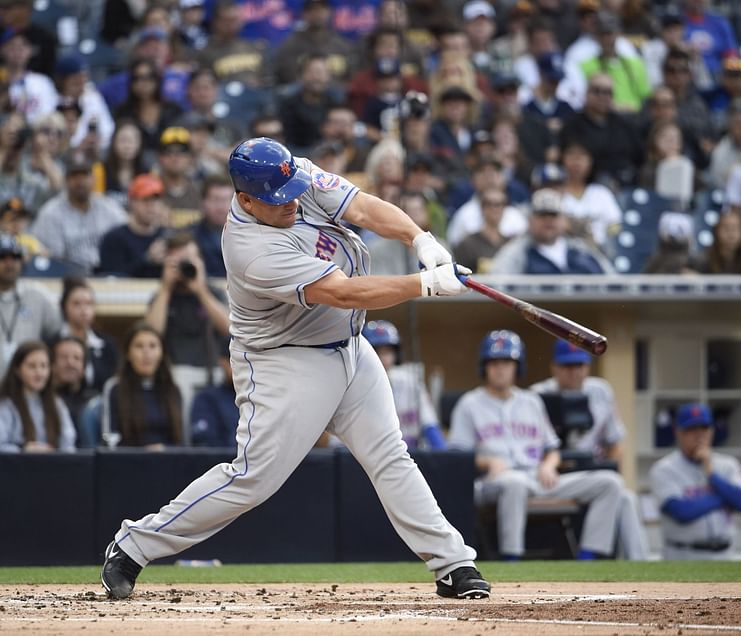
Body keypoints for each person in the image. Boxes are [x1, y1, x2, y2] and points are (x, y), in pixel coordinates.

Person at [101, 137, 489, 601]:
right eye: (276, 199)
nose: (290, 202)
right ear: (245, 199)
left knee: (390, 455)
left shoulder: (290, 174)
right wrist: (424, 285)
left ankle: (453, 565)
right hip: (286, 359)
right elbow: (344, 291)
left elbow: (363, 209)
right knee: (252, 479)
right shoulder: (250, 249)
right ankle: (132, 546)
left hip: (349, 345)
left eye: (291, 191)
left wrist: (420, 239)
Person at [449, 330, 645, 561]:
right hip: (493, 482)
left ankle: (588, 557)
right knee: (515, 482)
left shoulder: (531, 401)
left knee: (611, 482)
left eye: (506, 362)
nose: (500, 368)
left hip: (536, 477)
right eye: (494, 363)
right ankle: (512, 559)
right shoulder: (469, 404)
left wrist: (549, 465)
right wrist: (487, 461)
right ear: (484, 367)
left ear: (517, 366)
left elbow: (552, 447)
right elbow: (457, 457)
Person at [649, 402, 741, 560]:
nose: (699, 435)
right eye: (691, 429)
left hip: (725, 555)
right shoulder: (663, 469)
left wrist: (712, 475)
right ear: (678, 432)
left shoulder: (728, 464)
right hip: (683, 556)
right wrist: (724, 498)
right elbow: (682, 512)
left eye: (704, 428)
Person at [144, 231, 230, 418]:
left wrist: (200, 291)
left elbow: (229, 330)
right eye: (178, 262)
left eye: (188, 260)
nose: (183, 267)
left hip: (213, 374)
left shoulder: (212, 293)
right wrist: (166, 288)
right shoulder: (162, 297)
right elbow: (152, 333)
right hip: (174, 375)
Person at [30, 152, 127, 274]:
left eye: (85, 175)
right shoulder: (51, 213)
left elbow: (127, 235)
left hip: (107, 274)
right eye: (74, 176)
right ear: (66, 180)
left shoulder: (108, 207)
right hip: (68, 277)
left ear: (93, 179)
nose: (80, 181)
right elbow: (51, 258)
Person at [530, 340, 625, 462]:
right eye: (567, 365)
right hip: (552, 466)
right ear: (554, 367)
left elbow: (615, 443)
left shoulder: (601, 391)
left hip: (591, 464)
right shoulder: (537, 395)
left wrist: (613, 470)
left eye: (579, 365)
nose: (574, 372)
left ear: (588, 366)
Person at [361, 320, 446, 451]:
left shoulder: (410, 382)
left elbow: (430, 426)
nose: (384, 358)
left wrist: (445, 459)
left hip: (411, 456)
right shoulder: (354, 388)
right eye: (377, 352)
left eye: (388, 351)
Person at [490, 188, 614, 275]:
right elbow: (497, 285)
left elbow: (614, 283)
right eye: (542, 215)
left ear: (564, 220)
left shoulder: (581, 250)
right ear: (530, 220)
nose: (548, 220)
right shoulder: (517, 252)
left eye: (553, 215)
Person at [100, 322, 184, 450]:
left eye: (153, 346)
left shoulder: (174, 389)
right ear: (128, 354)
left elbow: (183, 441)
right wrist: (142, 453)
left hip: (169, 461)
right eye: (139, 346)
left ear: (162, 353)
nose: (146, 353)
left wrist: (165, 450)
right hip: (128, 463)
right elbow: (110, 440)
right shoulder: (114, 388)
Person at [0, 234, 61, 376]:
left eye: (15, 257)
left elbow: (57, 334)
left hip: (27, 384)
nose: (9, 264)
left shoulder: (38, 295)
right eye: (2, 258)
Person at [0, 340, 76, 453]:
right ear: (17, 370)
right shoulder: (5, 404)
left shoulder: (57, 403)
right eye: (32, 366)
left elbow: (68, 445)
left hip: (54, 467)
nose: (39, 373)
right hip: (17, 467)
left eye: (44, 366)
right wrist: (23, 450)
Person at [98, 174, 168, 278]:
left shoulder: (167, 236)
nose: (151, 206)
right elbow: (113, 279)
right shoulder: (114, 239)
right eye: (145, 200)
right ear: (131, 202)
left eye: (155, 200)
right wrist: (147, 260)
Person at [56, 277, 119, 392]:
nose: (84, 310)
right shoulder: (53, 342)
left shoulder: (107, 345)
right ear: (64, 307)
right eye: (77, 304)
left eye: (89, 304)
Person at [51, 336, 99, 447]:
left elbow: (106, 435)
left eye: (77, 358)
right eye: (63, 357)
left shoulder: (95, 402)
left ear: (84, 367)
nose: (70, 363)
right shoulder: (43, 401)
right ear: (52, 365)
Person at [190, 337, 238, 448]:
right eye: (235, 360)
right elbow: (204, 446)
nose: (242, 366)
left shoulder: (261, 399)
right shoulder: (207, 399)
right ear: (222, 362)